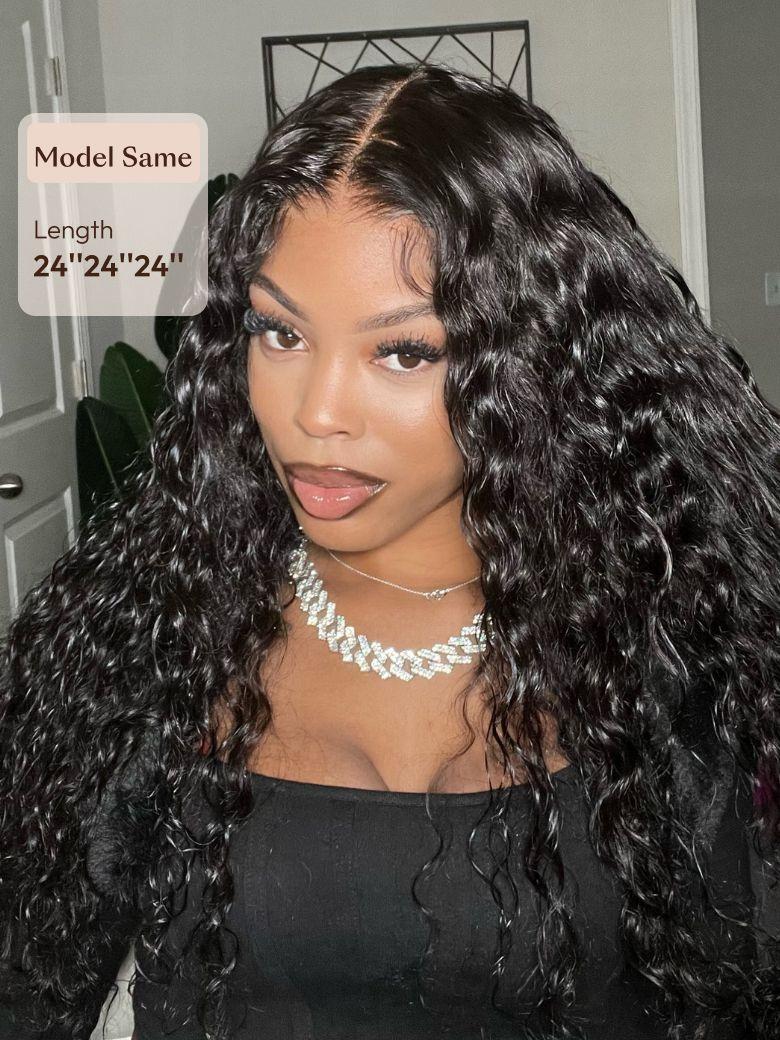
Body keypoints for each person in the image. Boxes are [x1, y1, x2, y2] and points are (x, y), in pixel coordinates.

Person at [0, 61, 778, 1040]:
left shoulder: (660, 646)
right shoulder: (154, 639)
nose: (316, 412)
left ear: (529, 361)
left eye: (404, 351)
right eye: (280, 332)